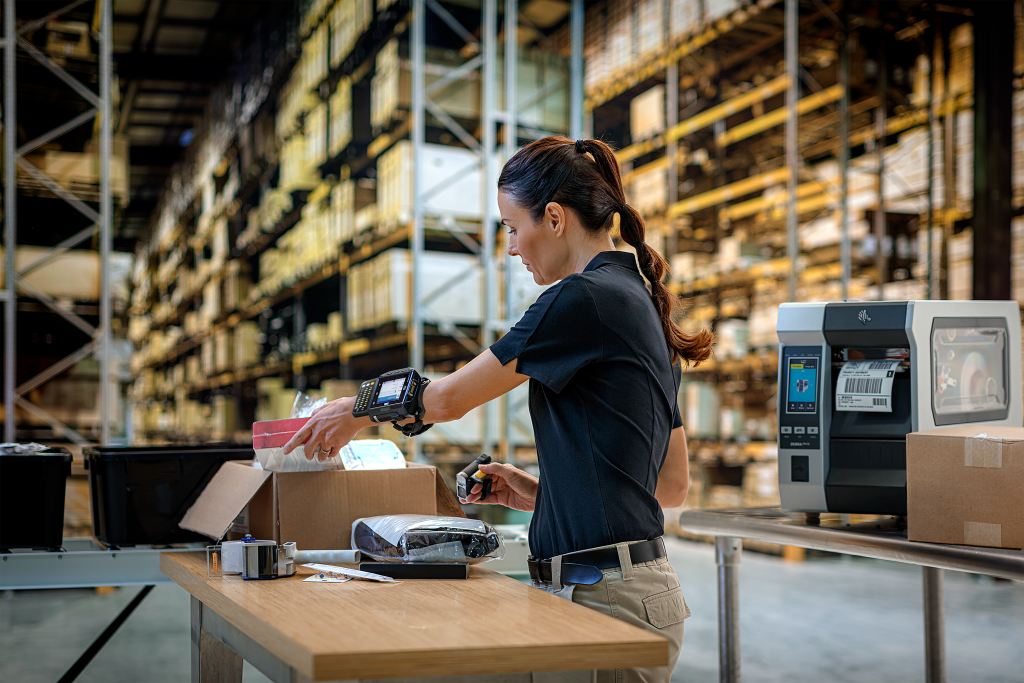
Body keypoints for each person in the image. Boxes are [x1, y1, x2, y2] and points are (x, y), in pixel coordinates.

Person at [283, 136, 714, 683]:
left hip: (603, 600)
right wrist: (541, 493)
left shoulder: (580, 299)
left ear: (554, 218)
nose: (510, 247)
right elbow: (670, 485)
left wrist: (357, 409)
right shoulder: (643, 305)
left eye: (512, 228)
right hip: (637, 591)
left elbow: (446, 399)